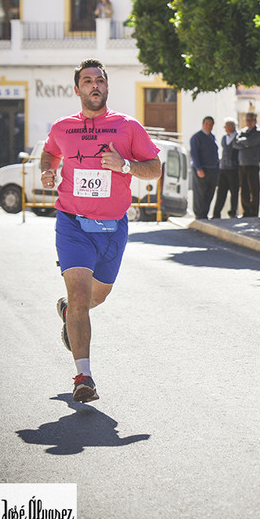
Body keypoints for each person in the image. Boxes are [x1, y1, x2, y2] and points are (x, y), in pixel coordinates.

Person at [40, 58, 161, 403]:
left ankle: (67, 312)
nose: (95, 85)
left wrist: (125, 165)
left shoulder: (128, 127)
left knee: (96, 297)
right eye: (87, 81)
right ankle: (84, 376)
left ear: (107, 87)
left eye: (100, 80)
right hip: (72, 223)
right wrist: (48, 171)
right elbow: (49, 154)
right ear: (77, 89)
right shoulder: (63, 127)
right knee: (80, 296)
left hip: (112, 228)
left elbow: (154, 168)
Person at [233, 112, 260, 217]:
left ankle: (254, 211)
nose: (249, 122)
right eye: (247, 120)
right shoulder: (242, 132)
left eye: (251, 120)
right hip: (242, 164)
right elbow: (235, 144)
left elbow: (250, 142)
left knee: (254, 189)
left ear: (255, 121)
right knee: (244, 188)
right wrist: (244, 143)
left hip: (253, 164)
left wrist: (244, 143)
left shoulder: (259, 132)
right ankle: (245, 211)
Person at [190, 116, 219, 219]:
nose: (208, 126)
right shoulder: (196, 137)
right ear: (203, 124)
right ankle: (199, 215)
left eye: (211, 124)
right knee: (200, 193)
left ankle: (205, 213)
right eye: (207, 124)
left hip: (212, 170)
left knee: (209, 193)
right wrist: (198, 168)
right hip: (202, 169)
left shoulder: (212, 137)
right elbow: (194, 154)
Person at [211, 118, 240, 218]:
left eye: (226, 126)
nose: (225, 128)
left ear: (232, 126)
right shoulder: (224, 138)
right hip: (223, 168)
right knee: (221, 192)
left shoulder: (238, 136)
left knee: (234, 192)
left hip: (234, 169)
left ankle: (233, 212)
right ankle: (216, 213)